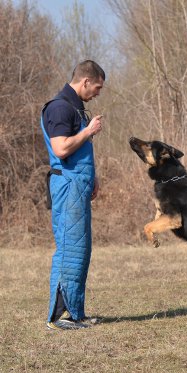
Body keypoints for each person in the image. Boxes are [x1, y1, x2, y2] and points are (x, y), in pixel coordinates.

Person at [40, 60, 105, 330]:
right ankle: (58, 317)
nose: (98, 93)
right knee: (69, 250)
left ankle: (74, 314)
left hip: (78, 186)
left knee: (80, 251)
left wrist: (93, 178)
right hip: (67, 188)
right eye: (97, 87)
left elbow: (78, 152)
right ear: (85, 81)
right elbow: (61, 149)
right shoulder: (60, 107)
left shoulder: (76, 108)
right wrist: (89, 131)